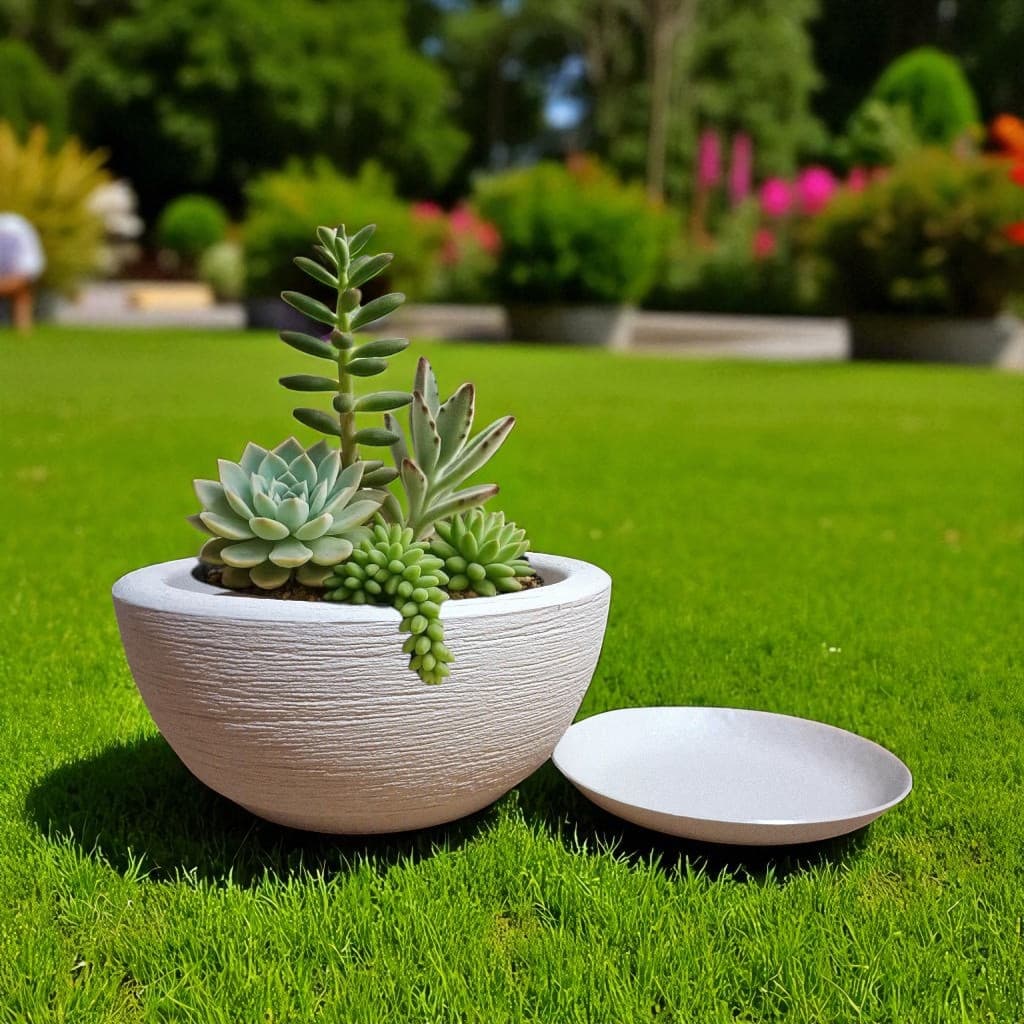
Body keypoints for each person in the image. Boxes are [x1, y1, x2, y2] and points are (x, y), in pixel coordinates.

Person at [0, 213, 46, 331]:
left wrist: (7, 283)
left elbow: (30, 268)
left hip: (15, 278)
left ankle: (23, 331)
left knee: (22, 294)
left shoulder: (16, 226)